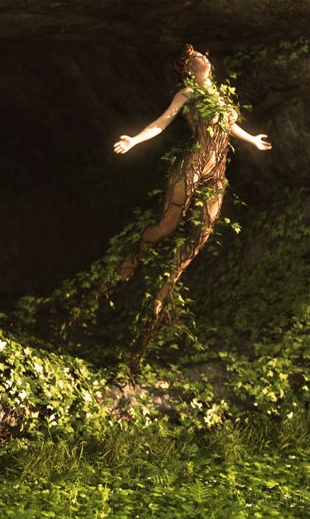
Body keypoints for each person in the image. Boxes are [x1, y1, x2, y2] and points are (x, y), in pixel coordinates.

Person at [111, 45, 270, 332]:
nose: (203, 56)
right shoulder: (188, 94)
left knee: (202, 234)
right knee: (167, 225)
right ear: (188, 69)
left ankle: (164, 290)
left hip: (216, 173)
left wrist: (253, 139)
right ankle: (131, 260)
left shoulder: (221, 98)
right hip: (192, 167)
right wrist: (134, 140)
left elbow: (229, 125)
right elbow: (162, 123)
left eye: (203, 54)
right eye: (195, 56)